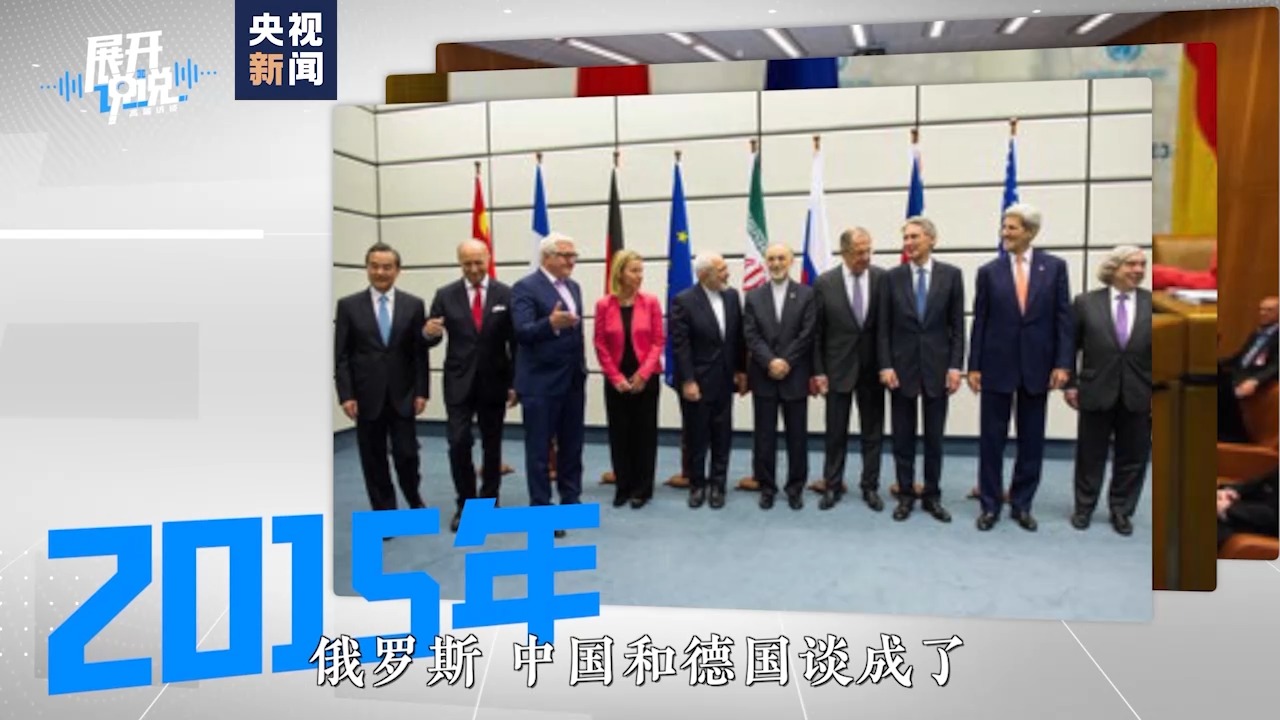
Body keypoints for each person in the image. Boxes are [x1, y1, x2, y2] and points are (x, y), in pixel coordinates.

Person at [967, 203, 1074, 532]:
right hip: (996, 365)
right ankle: (990, 505)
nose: (1005, 233)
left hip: (1038, 366)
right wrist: (974, 366)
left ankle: (1022, 504)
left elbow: (1063, 318)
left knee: (1031, 441)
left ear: (1030, 232)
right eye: (1004, 227)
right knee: (991, 440)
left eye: (1011, 227)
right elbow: (980, 321)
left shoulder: (1054, 268)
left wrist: (1063, 363)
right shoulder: (989, 271)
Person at [423, 239, 518, 533]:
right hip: (458, 381)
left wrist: (515, 382)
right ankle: (464, 504)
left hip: (495, 381)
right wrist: (428, 333)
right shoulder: (445, 294)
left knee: (492, 444)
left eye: (478, 262)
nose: (474, 269)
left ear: (488, 259)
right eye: (467, 263)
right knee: (458, 442)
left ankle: (489, 502)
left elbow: (515, 343)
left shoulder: (506, 294)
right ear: (459, 263)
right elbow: (432, 337)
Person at [877, 216, 965, 523]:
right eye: (905, 238)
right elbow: (883, 328)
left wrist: (955, 367)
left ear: (932, 239)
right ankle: (905, 495)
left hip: (938, 370)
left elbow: (957, 326)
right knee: (902, 438)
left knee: (934, 439)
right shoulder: (891, 277)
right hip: (900, 370)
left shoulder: (951, 275)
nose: (909, 243)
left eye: (914, 237)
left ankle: (932, 496)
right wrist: (885, 364)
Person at [334, 241, 430, 515]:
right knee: (373, 458)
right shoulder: (348, 306)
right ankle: (384, 512)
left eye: (387, 267)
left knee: (407, 454)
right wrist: (346, 395)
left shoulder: (413, 305)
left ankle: (413, 497)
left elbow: (419, 353)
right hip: (366, 396)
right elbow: (342, 355)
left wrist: (422, 391)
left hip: (404, 393)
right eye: (374, 266)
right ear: (367, 268)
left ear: (397, 270)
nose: (380, 272)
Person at [1064, 246, 1152, 535]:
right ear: (1114, 268)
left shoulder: (1154, 303)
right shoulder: (1086, 303)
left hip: (1140, 392)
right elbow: (1070, 347)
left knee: (1133, 457)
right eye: (1131, 264)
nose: (1138, 270)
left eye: (1142, 264)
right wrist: (1070, 384)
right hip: (1095, 389)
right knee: (1090, 454)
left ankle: (1121, 510)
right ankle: (1084, 508)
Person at [511, 232, 588, 536]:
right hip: (540, 383)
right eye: (565, 255)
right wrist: (550, 324)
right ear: (547, 257)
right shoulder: (525, 287)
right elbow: (522, 331)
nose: (571, 261)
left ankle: (571, 501)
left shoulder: (574, 287)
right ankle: (541, 511)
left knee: (572, 445)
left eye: (573, 255)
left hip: (572, 380)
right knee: (540, 451)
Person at [812, 227, 887, 511]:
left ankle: (870, 487)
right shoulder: (825, 283)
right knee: (835, 433)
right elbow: (817, 333)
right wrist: (819, 371)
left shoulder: (882, 279)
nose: (865, 257)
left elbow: (887, 328)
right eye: (859, 252)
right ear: (844, 253)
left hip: (872, 371)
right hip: (837, 371)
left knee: (873, 433)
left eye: (868, 250)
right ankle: (832, 486)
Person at [743, 243, 817, 510]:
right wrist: (770, 361)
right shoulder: (753, 296)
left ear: (791, 261)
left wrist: (786, 361)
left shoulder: (807, 294)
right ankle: (767, 487)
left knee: (797, 436)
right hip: (764, 376)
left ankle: (795, 488)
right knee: (764, 437)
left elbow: (807, 333)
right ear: (765, 262)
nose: (776, 263)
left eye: (781, 258)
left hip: (795, 375)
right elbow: (751, 335)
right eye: (771, 259)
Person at [671, 252, 747, 509]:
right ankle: (697, 485)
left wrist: (741, 370)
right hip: (698, 382)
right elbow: (681, 346)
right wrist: (688, 380)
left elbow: (738, 337)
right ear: (704, 275)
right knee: (697, 436)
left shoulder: (732, 296)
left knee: (722, 435)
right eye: (721, 270)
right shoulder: (684, 300)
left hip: (725, 379)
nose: (727, 274)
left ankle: (718, 485)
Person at [593, 250, 665, 509]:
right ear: (620, 273)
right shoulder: (604, 305)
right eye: (634, 270)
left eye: (641, 270)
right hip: (616, 378)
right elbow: (600, 343)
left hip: (646, 377)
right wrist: (615, 376)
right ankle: (623, 485)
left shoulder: (651, 302)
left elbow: (658, 341)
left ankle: (642, 489)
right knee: (620, 433)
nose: (639, 276)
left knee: (644, 434)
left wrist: (644, 374)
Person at [1218, 296, 1279, 443]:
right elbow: (1239, 358)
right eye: (1261, 309)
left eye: (1269, 310)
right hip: (1237, 375)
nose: (1263, 313)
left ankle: (1233, 438)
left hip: (1254, 380)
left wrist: (1255, 381)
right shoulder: (1257, 333)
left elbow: (1276, 365)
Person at [1217, 468, 1278, 551]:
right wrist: (1230, 491)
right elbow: (1262, 483)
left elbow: (1273, 516)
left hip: (1257, 531)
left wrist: (1228, 509)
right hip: (1241, 509)